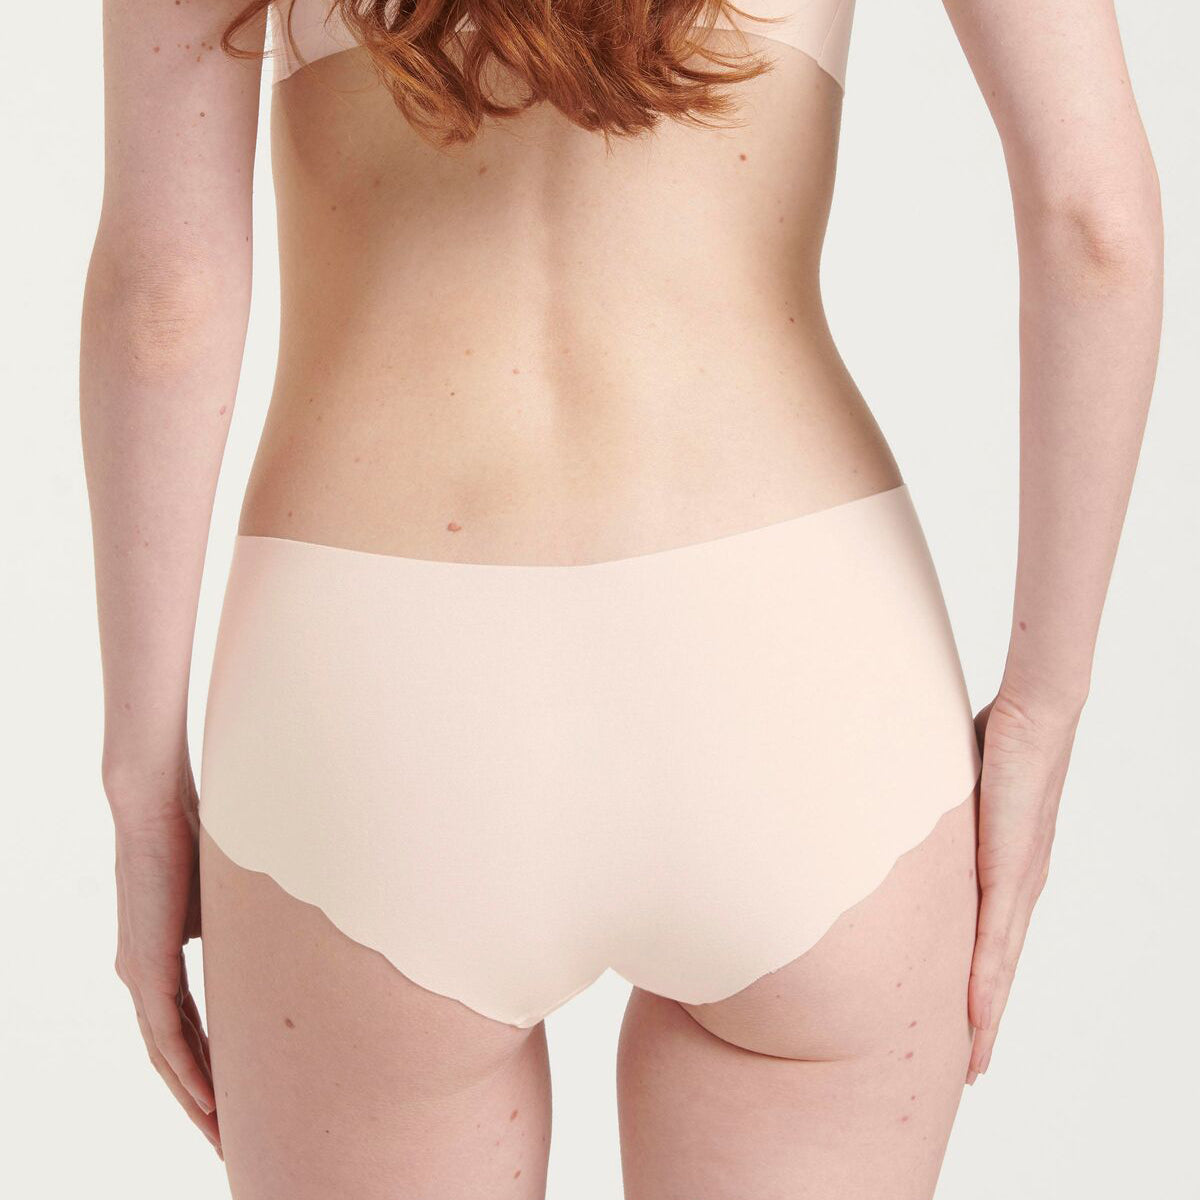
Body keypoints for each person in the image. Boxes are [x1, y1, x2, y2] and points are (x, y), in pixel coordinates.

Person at [80, 1, 1162, 1196]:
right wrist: (1044, 706)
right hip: (800, 667)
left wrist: (141, 785)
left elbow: (163, 299)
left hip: (374, 696)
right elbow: (1094, 228)